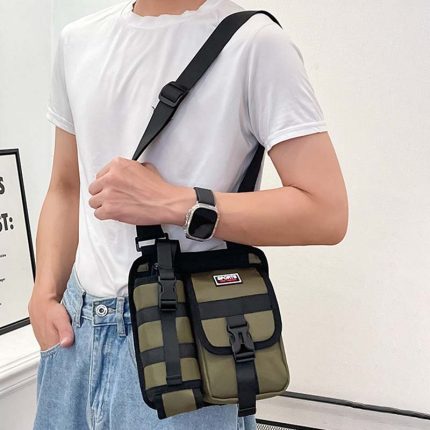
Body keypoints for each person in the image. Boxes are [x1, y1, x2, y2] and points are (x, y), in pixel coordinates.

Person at [28, 0, 348, 429]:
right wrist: (44, 292)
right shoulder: (77, 40)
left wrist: (175, 203)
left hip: (183, 340)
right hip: (74, 335)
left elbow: (325, 211)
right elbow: (66, 186)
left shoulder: (256, 44)